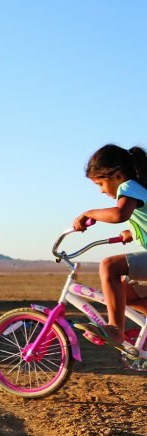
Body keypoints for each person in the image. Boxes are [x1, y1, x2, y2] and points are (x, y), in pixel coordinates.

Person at [72, 145, 147, 352]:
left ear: (118, 175)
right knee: (126, 294)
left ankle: (115, 329)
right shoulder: (140, 189)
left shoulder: (128, 187)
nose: (101, 190)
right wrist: (132, 232)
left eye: (101, 183)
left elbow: (118, 215)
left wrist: (89, 213)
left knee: (109, 266)